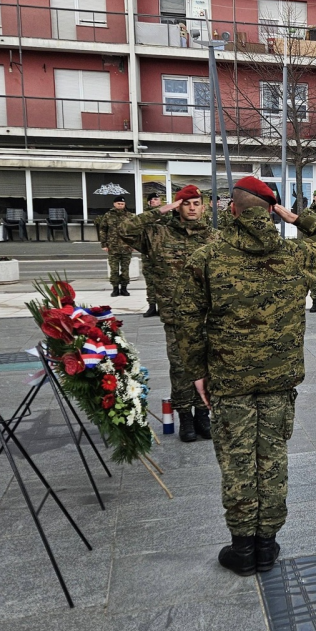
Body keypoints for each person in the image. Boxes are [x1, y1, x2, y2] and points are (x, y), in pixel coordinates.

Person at [178, 176, 316, 577]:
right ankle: (267, 545)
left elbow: (186, 322)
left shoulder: (205, 257)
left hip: (228, 380)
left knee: (237, 462)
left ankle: (242, 547)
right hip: (278, 380)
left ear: (230, 210)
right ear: (271, 211)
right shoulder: (297, 254)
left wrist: (197, 373)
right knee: (271, 459)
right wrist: (295, 217)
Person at [119, 185, 217, 442]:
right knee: (181, 367)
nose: (192, 207)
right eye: (186, 203)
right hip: (176, 316)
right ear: (178, 206)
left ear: (203, 207)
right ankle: (184, 416)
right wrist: (160, 211)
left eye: (196, 203)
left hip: (207, 315)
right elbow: (124, 230)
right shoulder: (157, 234)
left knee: (206, 365)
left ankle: (202, 415)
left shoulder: (214, 238)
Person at [95, 196, 134, 297]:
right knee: (114, 269)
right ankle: (115, 288)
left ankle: (124, 288)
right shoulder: (108, 215)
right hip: (112, 247)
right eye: (118, 204)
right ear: (114, 204)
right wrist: (104, 244)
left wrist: (134, 244)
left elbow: (135, 231)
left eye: (122, 204)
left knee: (125, 269)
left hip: (126, 247)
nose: (120, 205)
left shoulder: (129, 216)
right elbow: (103, 230)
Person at [141, 192, 163, 317]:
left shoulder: (165, 215)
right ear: (149, 201)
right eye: (154, 199)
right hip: (148, 253)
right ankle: (151, 306)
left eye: (158, 199)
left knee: (162, 282)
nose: (157, 201)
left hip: (161, 253)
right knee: (150, 281)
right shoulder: (145, 216)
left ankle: (161, 307)